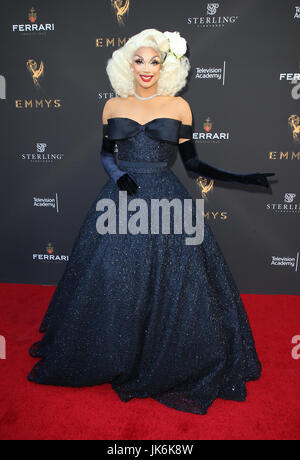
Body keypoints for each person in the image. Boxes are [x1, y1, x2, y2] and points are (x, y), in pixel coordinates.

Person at [28, 28, 275, 415]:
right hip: (121, 196)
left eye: (154, 60)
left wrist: (240, 177)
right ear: (128, 64)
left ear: (167, 66)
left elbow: (192, 163)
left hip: (166, 196)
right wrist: (117, 176)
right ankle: (111, 350)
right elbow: (106, 155)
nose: (146, 68)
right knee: (111, 275)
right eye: (139, 60)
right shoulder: (112, 105)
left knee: (176, 281)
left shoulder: (179, 108)